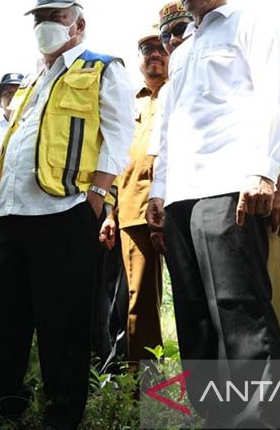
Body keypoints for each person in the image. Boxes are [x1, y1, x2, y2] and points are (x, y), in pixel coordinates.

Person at [0, 0, 134, 429]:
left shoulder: (101, 68)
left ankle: (61, 414)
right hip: (9, 215)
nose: (44, 25)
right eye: (39, 17)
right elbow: (15, 144)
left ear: (78, 24)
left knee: (63, 322)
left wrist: (98, 195)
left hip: (63, 211)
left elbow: (120, 133)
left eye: (55, 16)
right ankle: (9, 402)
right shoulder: (30, 81)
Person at [148, 0, 280, 428]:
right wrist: (158, 191)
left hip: (230, 185)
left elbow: (273, 98)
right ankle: (214, 415)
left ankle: (258, 419)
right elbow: (171, 126)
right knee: (192, 309)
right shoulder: (182, 50)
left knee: (238, 304)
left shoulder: (250, 24)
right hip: (182, 196)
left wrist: (262, 170)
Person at [99, 26, 167, 370]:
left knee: (197, 296)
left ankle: (209, 384)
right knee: (137, 301)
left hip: (183, 206)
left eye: (160, 47)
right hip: (132, 211)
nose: (154, 54)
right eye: (146, 49)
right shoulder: (129, 101)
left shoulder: (183, 89)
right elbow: (116, 156)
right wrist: (110, 212)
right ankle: (147, 388)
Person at [0, 72, 23, 138]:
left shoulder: (36, 125)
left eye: (19, 92)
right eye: (8, 93)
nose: (14, 97)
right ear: (0, 101)